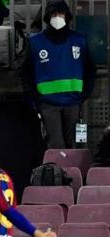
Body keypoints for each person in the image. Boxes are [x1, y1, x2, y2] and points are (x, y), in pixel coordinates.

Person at [19, 0, 96, 149]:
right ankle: (55, 173)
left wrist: (84, 94)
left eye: (61, 13)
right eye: (54, 14)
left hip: (73, 103)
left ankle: (73, 173)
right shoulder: (35, 42)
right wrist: (35, 103)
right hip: (48, 104)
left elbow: (90, 69)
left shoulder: (79, 40)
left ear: (67, 16)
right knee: (55, 146)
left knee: (73, 146)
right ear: (48, 17)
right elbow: (25, 74)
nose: (58, 17)